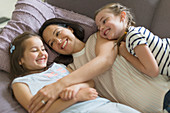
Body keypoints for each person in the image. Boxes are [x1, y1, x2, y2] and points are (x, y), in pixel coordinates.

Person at [29, 18, 170, 113]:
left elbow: (105, 61)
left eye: (58, 33)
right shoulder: (71, 69)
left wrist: (58, 85)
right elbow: (85, 87)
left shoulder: (99, 37)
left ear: (70, 29)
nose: (59, 41)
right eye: (52, 43)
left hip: (165, 92)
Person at [9, 32, 139, 113]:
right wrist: (76, 97)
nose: (42, 53)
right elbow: (37, 111)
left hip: (101, 104)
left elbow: (89, 82)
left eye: (43, 49)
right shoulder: (21, 83)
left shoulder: (58, 67)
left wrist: (77, 87)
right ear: (20, 60)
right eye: (34, 50)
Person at [95, 3, 170, 79]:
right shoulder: (130, 38)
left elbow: (153, 71)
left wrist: (126, 55)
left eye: (104, 21)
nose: (101, 28)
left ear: (122, 16)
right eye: (98, 27)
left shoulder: (132, 36)